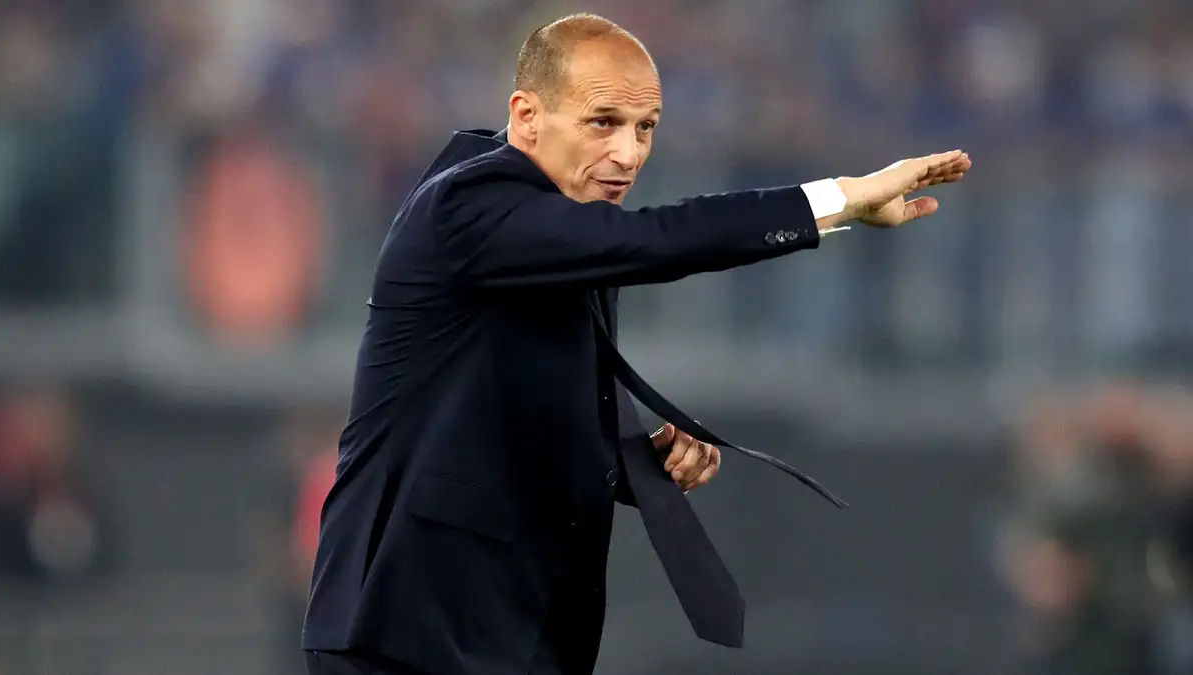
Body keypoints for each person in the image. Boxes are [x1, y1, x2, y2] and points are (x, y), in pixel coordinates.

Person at [301, 12, 971, 675]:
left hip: (503, 631)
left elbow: (507, 417)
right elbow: (663, 237)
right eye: (604, 123)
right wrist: (840, 199)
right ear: (527, 116)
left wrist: (630, 461)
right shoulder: (471, 206)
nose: (629, 153)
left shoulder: (559, 224)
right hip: (404, 630)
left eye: (645, 128)